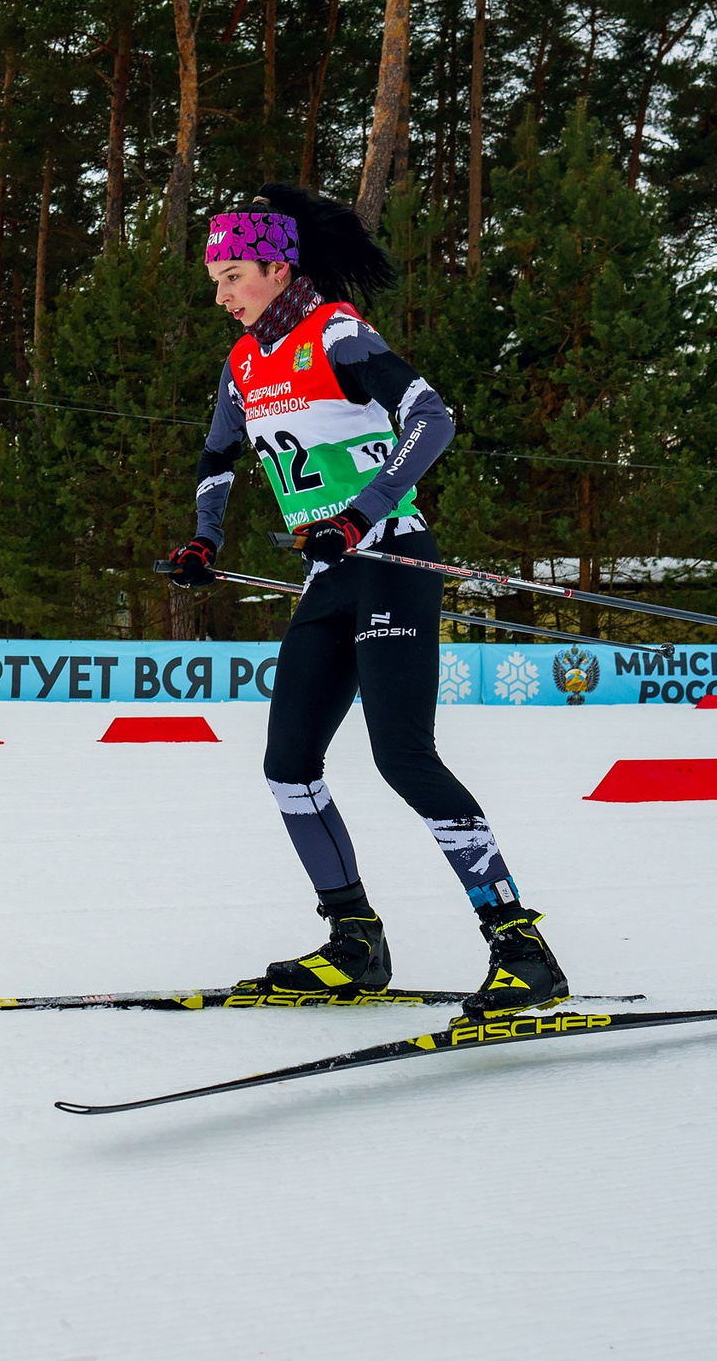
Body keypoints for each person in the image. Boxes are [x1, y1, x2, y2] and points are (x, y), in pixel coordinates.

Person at [164, 184, 568, 1017]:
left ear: (279, 268)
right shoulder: (243, 365)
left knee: (402, 756)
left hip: (391, 558)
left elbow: (432, 419)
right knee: (288, 766)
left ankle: (519, 944)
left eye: (234, 273)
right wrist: (206, 539)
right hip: (330, 574)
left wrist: (359, 517)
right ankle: (355, 940)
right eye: (215, 278)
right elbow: (216, 459)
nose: (221, 293)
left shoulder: (338, 332)